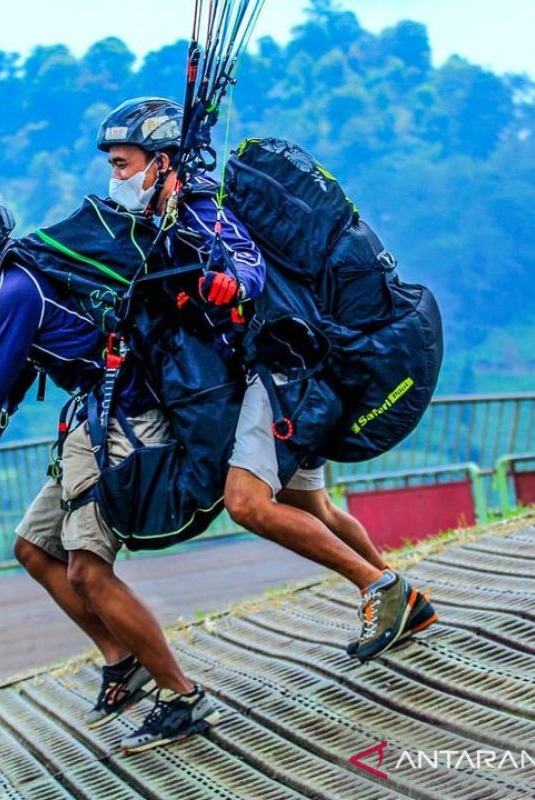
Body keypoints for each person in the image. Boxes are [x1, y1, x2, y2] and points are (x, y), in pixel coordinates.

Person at [96, 97, 437, 664]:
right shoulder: (167, 219)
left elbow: (243, 261)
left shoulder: (202, 210)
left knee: (249, 504)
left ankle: (381, 589)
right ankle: (403, 594)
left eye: (123, 163)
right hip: (300, 367)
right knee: (312, 506)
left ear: (161, 161)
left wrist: (232, 284)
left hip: (285, 375)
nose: (115, 176)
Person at [0, 186, 219, 753]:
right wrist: (0, 418)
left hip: (121, 416)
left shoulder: (14, 291)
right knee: (35, 548)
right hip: (90, 417)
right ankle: (122, 661)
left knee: (88, 571)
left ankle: (182, 696)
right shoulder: (11, 286)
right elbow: (18, 366)